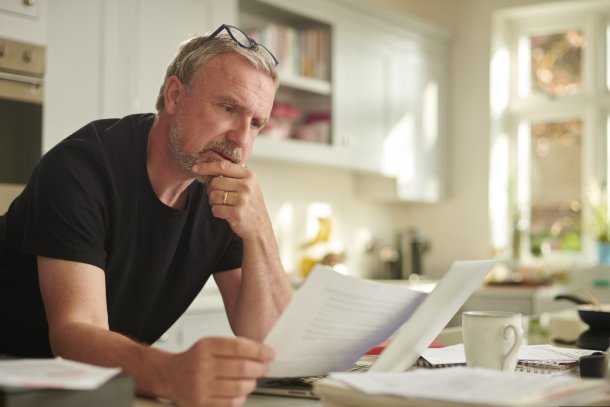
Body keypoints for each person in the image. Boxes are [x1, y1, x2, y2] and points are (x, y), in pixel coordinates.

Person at [0, 24, 293, 406]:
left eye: (256, 123)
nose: (241, 139)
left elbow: (274, 346)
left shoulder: (222, 191)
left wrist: (260, 231)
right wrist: (169, 372)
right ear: (175, 95)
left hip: (101, 389)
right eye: (228, 108)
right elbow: (74, 332)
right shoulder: (82, 168)